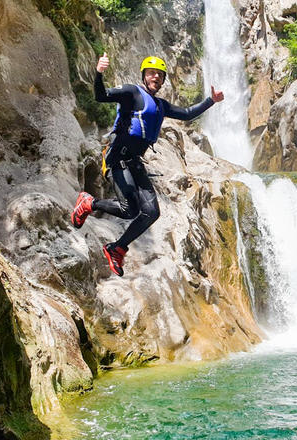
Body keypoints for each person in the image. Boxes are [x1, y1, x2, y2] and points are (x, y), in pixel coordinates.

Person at [71, 53, 224, 276]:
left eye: (160, 75)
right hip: (117, 158)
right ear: (144, 75)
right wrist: (99, 73)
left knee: (151, 212)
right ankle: (89, 202)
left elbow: (187, 113)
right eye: (152, 73)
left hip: (135, 163)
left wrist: (211, 100)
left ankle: (116, 248)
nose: (156, 77)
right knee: (128, 209)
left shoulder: (161, 105)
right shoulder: (132, 93)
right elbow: (101, 96)